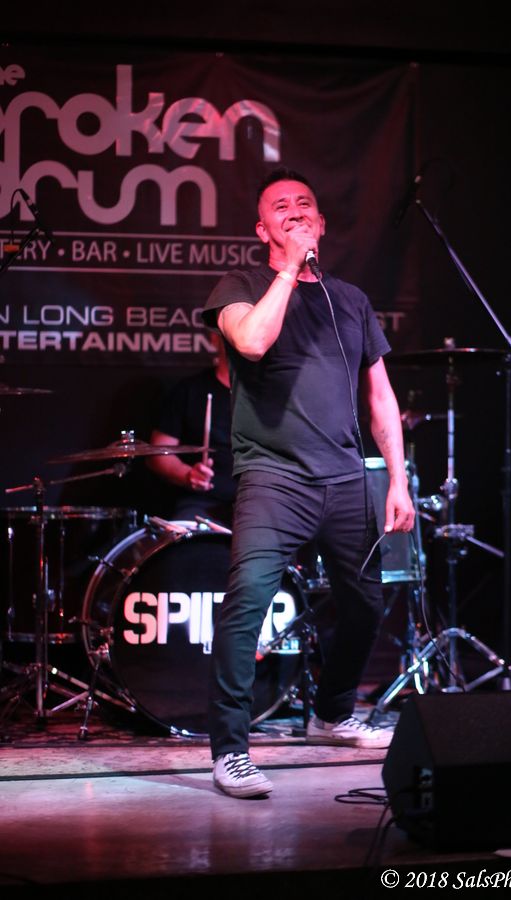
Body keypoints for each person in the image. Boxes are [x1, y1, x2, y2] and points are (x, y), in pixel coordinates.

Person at [202, 166, 415, 798]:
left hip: (347, 477)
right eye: (280, 207)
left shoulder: (351, 300)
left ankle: (332, 712)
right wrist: (290, 269)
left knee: (367, 603)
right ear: (261, 228)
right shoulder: (240, 286)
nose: (294, 211)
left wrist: (396, 480)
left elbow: (380, 397)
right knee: (247, 603)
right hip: (273, 478)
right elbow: (253, 342)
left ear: (321, 222)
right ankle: (230, 751)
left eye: (304, 205)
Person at [146, 332, 235, 526]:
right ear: (214, 337)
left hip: (259, 502)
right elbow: (158, 454)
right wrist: (188, 474)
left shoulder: (270, 395)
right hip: (203, 502)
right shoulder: (190, 390)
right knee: (186, 536)